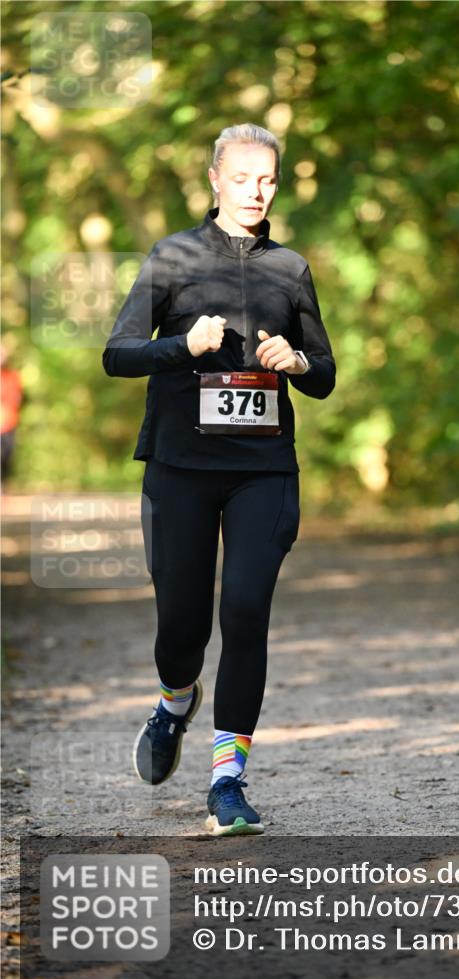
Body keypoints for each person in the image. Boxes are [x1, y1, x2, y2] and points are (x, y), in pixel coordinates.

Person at [102, 123, 336, 836]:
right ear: (214, 180)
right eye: (242, 179)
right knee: (182, 627)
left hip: (262, 470)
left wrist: (296, 364)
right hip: (180, 467)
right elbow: (118, 355)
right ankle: (174, 702)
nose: (255, 192)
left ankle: (227, 782)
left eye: (266, 179)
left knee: (244, 612)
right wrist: (184, 345)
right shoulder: (170, 258)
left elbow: (323, 375)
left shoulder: (290, 268)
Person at [1, 342, 24, 486]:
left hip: (9, 422)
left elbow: (18, 398)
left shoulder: (13, 376)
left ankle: (3, 482)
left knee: (6, 455)